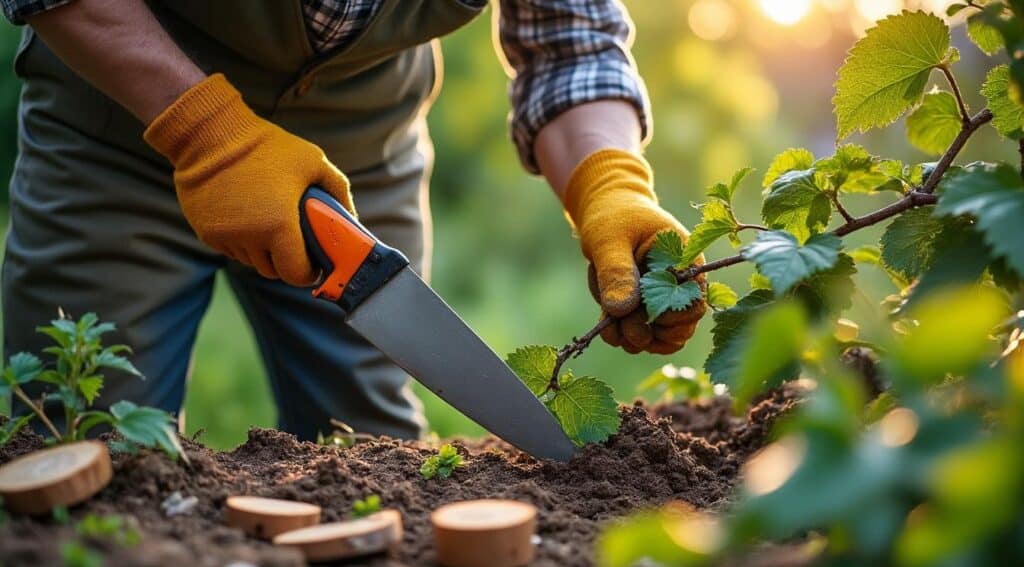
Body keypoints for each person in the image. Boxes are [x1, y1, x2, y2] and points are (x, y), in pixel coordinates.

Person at [1, 0, 706, 441]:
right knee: (73, 451)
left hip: (352, 170)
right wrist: (205, 132)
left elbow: (571, 45)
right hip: (122, 128)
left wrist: (609, 183)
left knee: (372, 458)